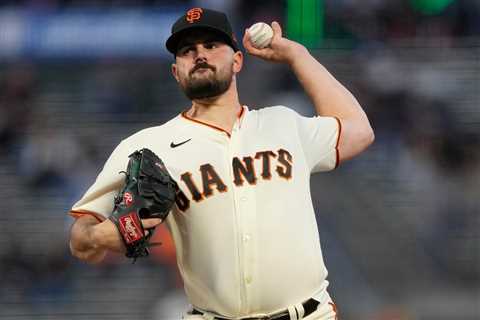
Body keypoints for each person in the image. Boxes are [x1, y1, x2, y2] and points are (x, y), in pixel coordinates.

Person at [68, 7, 374, 320]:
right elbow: (80, 240)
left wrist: (298, 55)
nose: (200, 54)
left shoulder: (284, 124)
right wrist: (99, 236)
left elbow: (359, 131)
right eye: (187, 50)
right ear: (176, 72)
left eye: (211, 46)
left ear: (237, 60)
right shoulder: (147, 147)